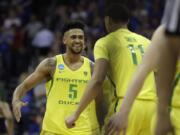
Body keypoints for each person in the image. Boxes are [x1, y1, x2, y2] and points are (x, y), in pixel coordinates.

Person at [65, 3, 157, 135]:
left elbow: (97, 80)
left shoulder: (105, 42)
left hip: (126, 106)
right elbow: (159, 76)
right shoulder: (147, 42)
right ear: (128, 20)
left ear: (107, 20)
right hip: (152, 108)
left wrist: (76, 113)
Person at [12, 21, 101, 135]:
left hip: (83, 131)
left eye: (81, 37)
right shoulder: (51, 64)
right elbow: (24, 86)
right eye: (73, 37)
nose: (78, 40)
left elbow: (101, 101)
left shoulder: (93, 68)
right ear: (64, 40)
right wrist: (16, 99)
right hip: (53, 130)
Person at [111, 0, 180, 135]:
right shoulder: (165, 33)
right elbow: (142, 70)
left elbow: (142, 70)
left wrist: (124, 111)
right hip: (171, 114)